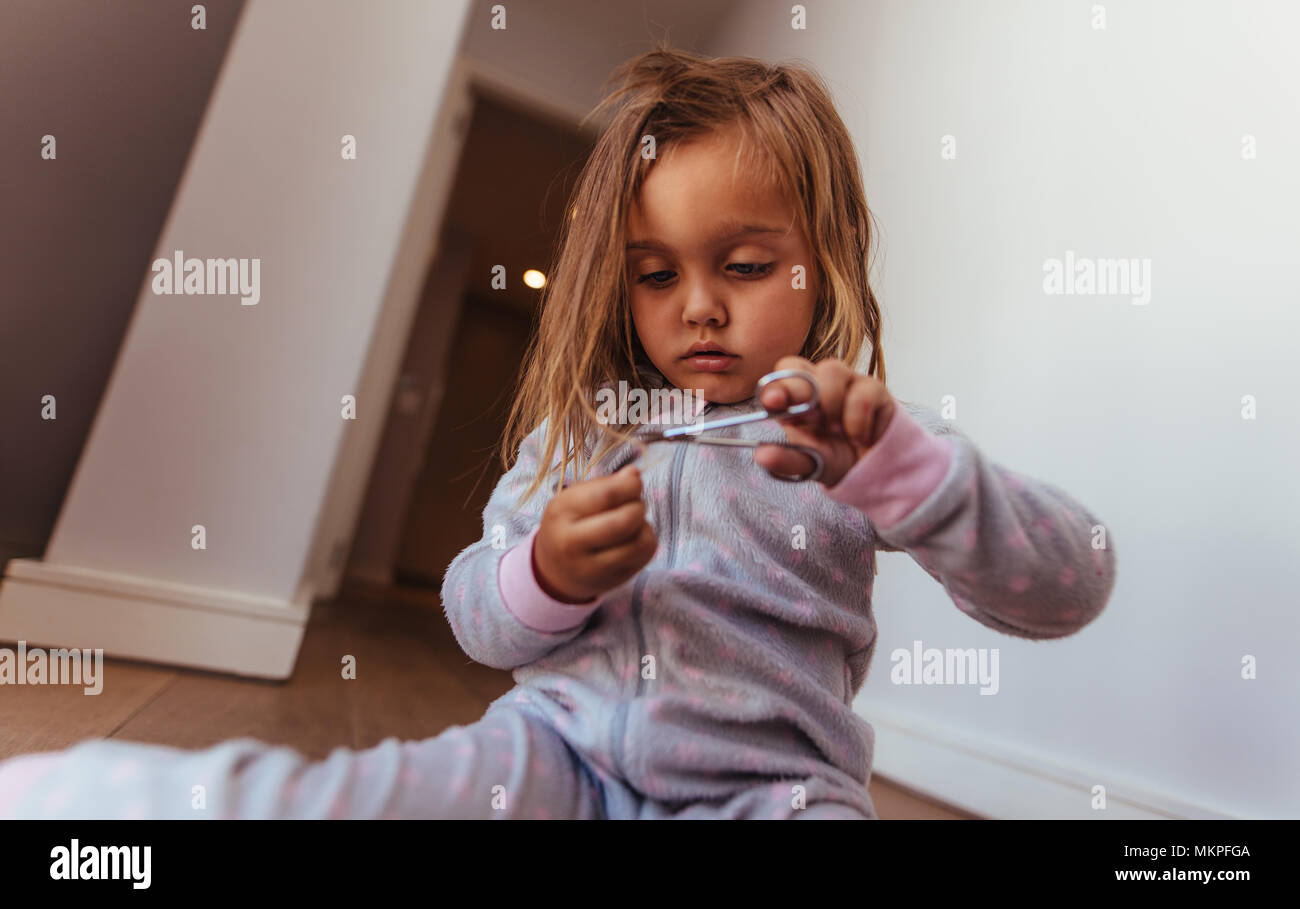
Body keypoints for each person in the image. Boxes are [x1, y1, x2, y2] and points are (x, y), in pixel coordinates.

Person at [0, 44, 1116, 820]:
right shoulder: (583, 434)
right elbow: (479, 618)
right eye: (653, 275)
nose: (697, 306)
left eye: (740, 265)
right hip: (548, 758)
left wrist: (908, 479)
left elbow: (1069, 587)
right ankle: (81, 806)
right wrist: (542, 572)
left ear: (819, 255)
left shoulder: (860, 437)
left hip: (772, 792)